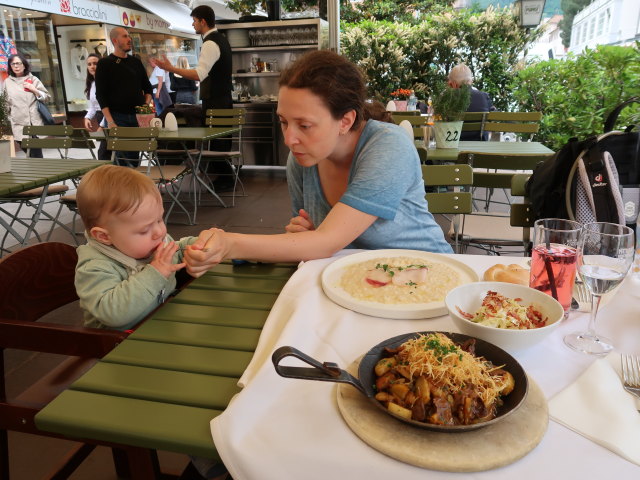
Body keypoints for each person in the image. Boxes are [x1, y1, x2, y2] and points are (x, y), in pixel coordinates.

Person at [184, 50, 452, 277]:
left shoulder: (386, 146)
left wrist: (229, 243)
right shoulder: (301, 160)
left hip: (432, 275)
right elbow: (315, 239)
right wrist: (304, 236)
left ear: (345, 121)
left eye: (304, 125)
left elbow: (325, 242)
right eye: (284, 121)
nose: (290, 139)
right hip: (358, 280)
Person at [152, 5, 234, 191]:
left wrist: (171, 69)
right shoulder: (221, 40)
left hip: (215, 101)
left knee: (216, 142)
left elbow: (199, 74)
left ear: (203, 22)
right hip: (222, 99)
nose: (193, 24)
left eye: (195, 21)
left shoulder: (211, 43)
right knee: (219, 141)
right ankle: (225, 179)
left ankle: (226, 181)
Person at [95, 26, 153, 165]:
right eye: (125, 36)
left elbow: (148, 88)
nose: (129, 39)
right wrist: (110, 121)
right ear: (115, 40)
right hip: (118, 117)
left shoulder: (135, 62)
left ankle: (133, 185)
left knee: (134, 158)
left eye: (129, 36)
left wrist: (144, 108)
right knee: (121, 160)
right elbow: (101, 95)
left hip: (138, 117)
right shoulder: (105, 63)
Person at [3, 53, 50, 158]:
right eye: (13, 64)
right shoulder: (7, 82)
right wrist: (6, 119)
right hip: (18, 125)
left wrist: (34, 89)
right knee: (29, 154)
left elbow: (47, 97)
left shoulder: (33, 79)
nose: (16, 66)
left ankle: (41, 173)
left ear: (24, 65)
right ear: (10, 66)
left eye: (18, 63)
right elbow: (5, 104)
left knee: (36, 155)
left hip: (33, 124)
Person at [447, 63, 495, 141]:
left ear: (453, 83)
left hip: (452, 143)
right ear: (470, 81)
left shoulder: (446, 98)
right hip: (479, 144)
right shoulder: (484, 96)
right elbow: (494, 116)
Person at [82, 53, 109, 160]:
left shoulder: (107, 82)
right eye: (89, 64)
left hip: (109, 118)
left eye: (95, 63)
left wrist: (103, 124)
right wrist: (87, 117)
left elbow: (110, 106)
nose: (92, 66)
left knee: (104, 152)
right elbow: (93, 105)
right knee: (105, 150)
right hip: (99, 116)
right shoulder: (92, 83)